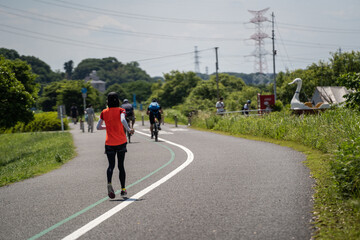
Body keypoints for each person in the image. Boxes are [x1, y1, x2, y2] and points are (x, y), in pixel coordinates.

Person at [96, 92, 134, 199]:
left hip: (109, 143)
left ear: (107, 101)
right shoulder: (121, 110)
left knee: (110, 165)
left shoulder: (104, 112)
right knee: (121, 166)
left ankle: (109, 184)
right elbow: (122, 120)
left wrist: (107, 127)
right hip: (121, 142)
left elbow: (98, 127)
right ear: (118, 100)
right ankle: (123, 189)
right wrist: (129, 129)